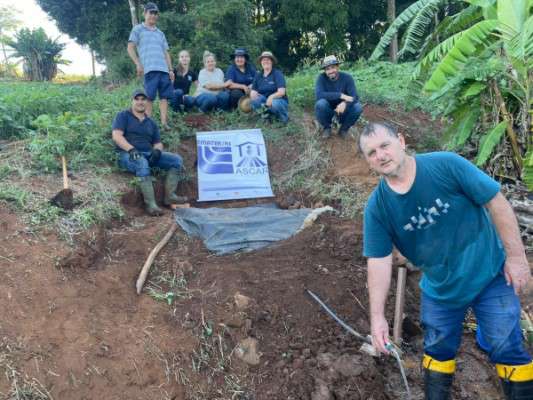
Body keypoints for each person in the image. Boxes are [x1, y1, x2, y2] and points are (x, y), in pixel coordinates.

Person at [360, 122, 532, 400]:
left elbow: (495, 201)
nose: (380, 155)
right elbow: (378, 262)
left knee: (504, 344)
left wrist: (516, 257)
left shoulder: (446, 165)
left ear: (401, 141)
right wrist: (377, 318)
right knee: (437, 348)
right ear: (369, 162)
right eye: (371, 153)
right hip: (441, 287)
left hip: (489, 274)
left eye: (384, 146)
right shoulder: (377, 207)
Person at [112, 89, 187, 216]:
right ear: (132, 101)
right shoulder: (123, 116)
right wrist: (131, 149)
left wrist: (157, 151)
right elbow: (117, 136)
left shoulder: (151, 122)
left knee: (176, 160)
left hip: (147, 153)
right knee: (141, 162)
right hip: (127, 154)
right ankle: (151, 205)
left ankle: (170, 196)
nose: (140, 102)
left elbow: (158, 143)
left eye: (143, 99)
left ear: (147, 102)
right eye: (137, 99)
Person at [127, 2, 174, 131]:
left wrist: (170, 69)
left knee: (164, 97)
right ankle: (148, 125)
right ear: (145, 14)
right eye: (150, 13)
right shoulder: (138, 29)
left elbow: (166, 52)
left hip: (164, 70)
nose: (153, 15)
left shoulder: (160, 33)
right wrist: (138, 63)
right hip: (149, 69)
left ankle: (164, 123)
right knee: (149, 97)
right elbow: (130, 47)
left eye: (155, 13)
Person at [315, 55, 362, 139]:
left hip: (343, 111)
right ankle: (327, 128)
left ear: (338, 67)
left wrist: (345, 103)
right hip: (328, 110)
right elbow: (319, 95)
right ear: (325, 71)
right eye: (327, 69)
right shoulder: (321, 78)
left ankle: (343, 130)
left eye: (332, 67)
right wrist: (340, 95)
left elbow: (354, 96)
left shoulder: (347, 78)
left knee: (358, 107)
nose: (330, 71)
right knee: (320, 104)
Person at [250, 51, 289, 123]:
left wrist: (271, 97)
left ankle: (283, 119)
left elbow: (281, 92)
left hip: (278, 100)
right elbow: (253, 92)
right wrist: (254, 96)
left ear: (272, 62)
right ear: (261, 62)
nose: (266, 61)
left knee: (275, 103)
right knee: (254, 101)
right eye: (263, 60)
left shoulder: (277, 73)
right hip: (264, 101)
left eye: (268, 59)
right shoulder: (258, 75)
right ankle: (267, 117)